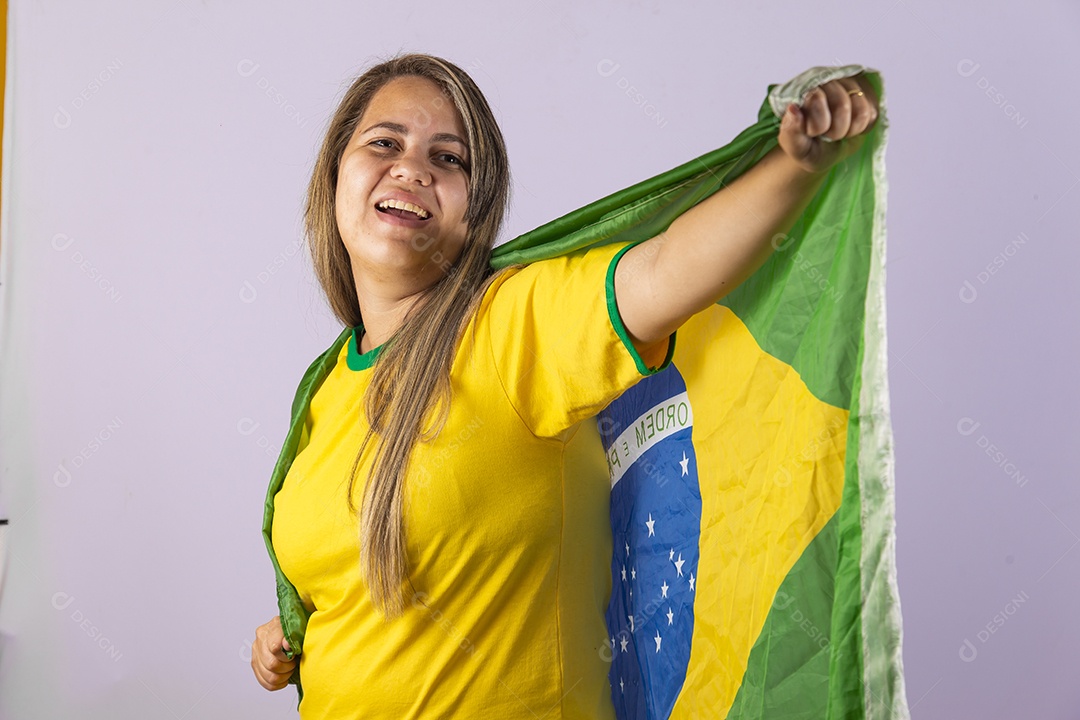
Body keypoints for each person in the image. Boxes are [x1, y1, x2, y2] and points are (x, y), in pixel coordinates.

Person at [250, 53, 878, 718]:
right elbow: (364, 584)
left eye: (449, 158)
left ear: (475, 212)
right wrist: (292, 633)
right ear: (335, 174)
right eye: (384, 142)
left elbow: (666, 271)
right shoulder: (324, 387)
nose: (412, 169)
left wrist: (795, 164)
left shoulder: (507, 326)